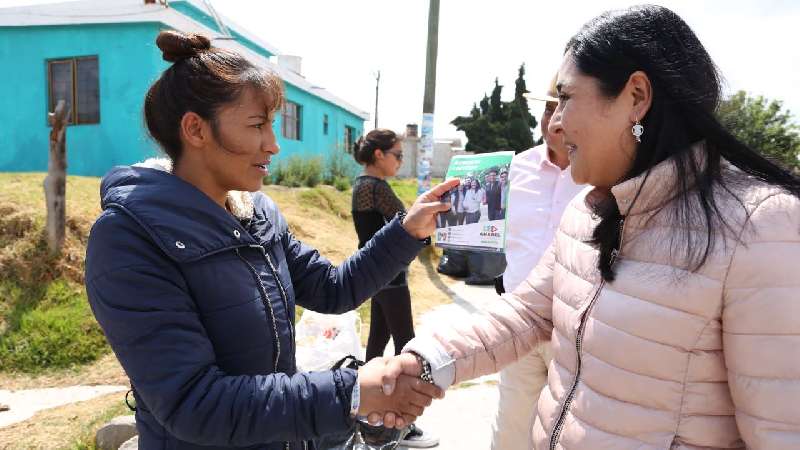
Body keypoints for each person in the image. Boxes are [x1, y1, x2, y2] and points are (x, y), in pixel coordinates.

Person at [384, 5, 800, 448]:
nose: (555, 122)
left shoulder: (760, 227)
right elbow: (526, 314)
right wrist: (422, 361)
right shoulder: (589, 210)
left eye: (565, 97)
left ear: (636, 97)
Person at [84, 31, 455, 450]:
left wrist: (408, 229)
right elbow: (194, 404)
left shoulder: (255, 216)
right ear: (195, 129)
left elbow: (335, 289)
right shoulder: (129, 239)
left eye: (273, 125)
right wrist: (349, 391)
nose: (273, 144)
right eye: (257, 125)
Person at [490, 75, 585, 450]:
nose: (553, 119)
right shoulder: (512, 171)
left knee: (569, 433)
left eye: (561, 107)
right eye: (547, 108)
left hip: (577, 330)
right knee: (512, 428)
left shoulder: (604, 176)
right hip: (519, 324)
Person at [351, 128, 439, 448]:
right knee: (407, 346)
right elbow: (411, 222)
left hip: (376, 274)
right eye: (398, 155)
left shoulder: (362, 185)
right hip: (390, 276)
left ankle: (362, 415)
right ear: (379, 155)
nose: (401, 161)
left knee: (377, 343)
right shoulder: (376, 187)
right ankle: (402, 423)